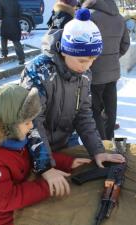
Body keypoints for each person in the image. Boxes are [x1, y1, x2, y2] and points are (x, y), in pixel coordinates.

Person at [0, 84, 91, 225]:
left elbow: (29, 158)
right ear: (9, 125)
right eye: (27, 122)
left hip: (13, 213)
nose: (31, 126)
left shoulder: (13, 139)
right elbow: (6, 200)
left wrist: (66, 162)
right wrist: (48, 185)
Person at [20, 8, 125, 175]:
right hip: (34, 152)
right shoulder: (39, 71)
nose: (87, 66)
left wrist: (97, 150)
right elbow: (32, 121)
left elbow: (83, 114)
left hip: (64, 144)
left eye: (93, 59)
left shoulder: (84, 75)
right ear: (64, 50)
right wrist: (45, 166)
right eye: (82, 60)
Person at [81, 0, 130, 140]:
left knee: (95, 110)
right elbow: (125, 44)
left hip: (93, 71)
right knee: (110, 109)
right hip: (112, 71)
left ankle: (101, 144)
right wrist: (114, 57)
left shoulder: (89, 16)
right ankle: (109, 139)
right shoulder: (119, 18)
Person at [0, 0, 25, 65]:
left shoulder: (0, 1)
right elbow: (20, 13)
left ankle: (4, 54)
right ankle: (21, 59)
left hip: (5, 22)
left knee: (3, 37)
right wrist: (16, 19)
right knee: (16, 41)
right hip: (15, 22)